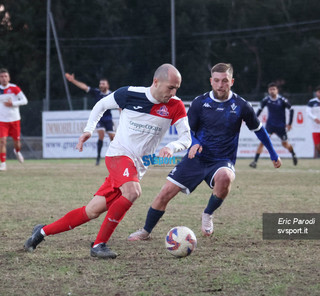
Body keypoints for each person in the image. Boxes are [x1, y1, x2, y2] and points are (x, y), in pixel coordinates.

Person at [24, 64, 191, 259]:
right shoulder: (129, 94)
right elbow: (101, 105)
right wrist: (88, 129)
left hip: (137, 167)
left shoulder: (175, 105)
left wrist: (171, 147)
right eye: (170, 87)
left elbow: (186, 138)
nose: (173, 92)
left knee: (92, 211)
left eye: (176, 88)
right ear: (156, 82)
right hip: (118, 156)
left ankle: (42, 231)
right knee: (133, 191)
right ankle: (99, 245)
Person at [128, 63, 281, 241]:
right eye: (216, 80)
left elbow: (259, 130)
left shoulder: (241, 105)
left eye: (224, 81)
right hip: (196, 158)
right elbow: (188, 132)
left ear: (231, 81)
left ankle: (207, 214)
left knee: (226, 177)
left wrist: (273, 154)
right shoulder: (200, 103)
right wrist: (195, 143)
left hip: (222, 160)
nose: (220, 85)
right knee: (165, 193)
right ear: (211, 81)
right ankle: (146, 231)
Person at [65, 73, 115, 165]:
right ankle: (98, 158)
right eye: (100, 84)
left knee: (113, 138)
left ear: (107, 85)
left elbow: (120, 105)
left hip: (108, 118)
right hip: (99, 119)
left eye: (103, 84)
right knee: (101, 135)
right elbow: (84, 87)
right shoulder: (96, 92)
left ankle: (116, 157)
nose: (101, 85)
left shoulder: (112, 94)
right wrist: (73, 80)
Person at [249, 82, 297, 168]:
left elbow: (292, 109)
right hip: (270, 126)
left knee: (285, 144)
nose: (272, 91)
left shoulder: (282, 100)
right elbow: (259, 110)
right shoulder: (266, 100)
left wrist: (289, 124)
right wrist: (253, 120)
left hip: (281, 127)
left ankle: (293, 154)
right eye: (270, 89)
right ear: (268, 90)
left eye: (274, 89)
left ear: (277, 90)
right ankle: (255, 162)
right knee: (262, 142)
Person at [0, 68, 28, 171]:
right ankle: (3, 164)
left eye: (5, 76)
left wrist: (13, 104)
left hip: (15, 120)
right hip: (2, 121)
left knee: (17, 143)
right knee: (2, 141)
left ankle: (17, 151)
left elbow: (25, 101)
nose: (4, 78)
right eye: (1, 76)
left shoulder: (15, 88)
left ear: (9, 78)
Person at [306, 85, 320, 157]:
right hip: (315, 128)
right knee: (317, 145)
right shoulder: (312, 102)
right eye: (319, 92)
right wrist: (314, 118)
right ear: (316, 93)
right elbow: (308, 112)